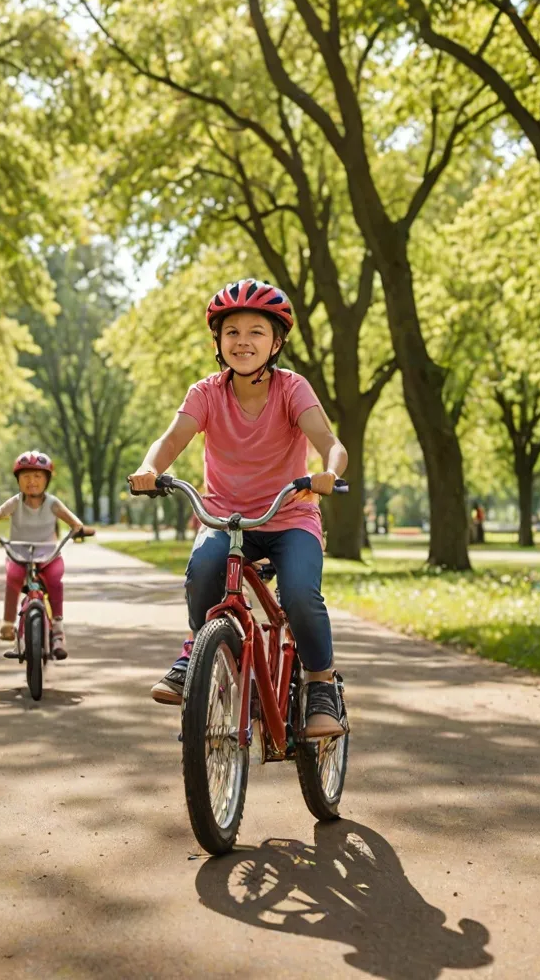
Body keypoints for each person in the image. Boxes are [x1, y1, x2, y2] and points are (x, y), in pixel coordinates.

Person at [128, 279, 349, 738]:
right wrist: (150, 468)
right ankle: (196, 651)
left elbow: (330, 442)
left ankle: (321, 683)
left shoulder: (292, 388)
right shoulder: (207, 393)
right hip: (226, 520)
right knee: (202, 571)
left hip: (288, 518)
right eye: (232, 332)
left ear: (276, 343)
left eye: (255, 332)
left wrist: (328, 471)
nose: (242, 341)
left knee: (299, 595)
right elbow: (171, 439)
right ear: (218, 341)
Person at [0, 451, 93, 660]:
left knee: (54, 581)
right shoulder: (15, 502)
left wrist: (79, 529)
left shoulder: (53, 503)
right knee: (13, 577)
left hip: (49, 556)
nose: (32, 481)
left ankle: (58, 631)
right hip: (19, 555)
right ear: (18, 480)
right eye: (26, 476)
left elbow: (74, 522)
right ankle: (8, 625)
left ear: (47, 480)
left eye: (37, 476)